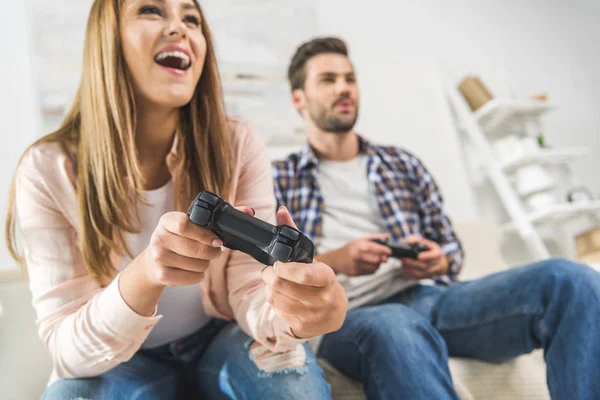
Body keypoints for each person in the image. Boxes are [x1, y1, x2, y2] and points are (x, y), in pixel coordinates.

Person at [6, 2, 348, 399]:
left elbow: (249, 289)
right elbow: (66, 351)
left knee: (291, 382)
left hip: (221, 337)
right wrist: (147, 272)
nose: (178, 28)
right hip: (121, 363)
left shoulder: (237, 143)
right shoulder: (47, 169)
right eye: (151, 10)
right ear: (108, 37)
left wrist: (294, 317)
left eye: (191, 18)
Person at [272, 36, 600, 400]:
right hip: (348, 314)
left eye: (350, 78)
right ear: (298, 98)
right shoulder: (280, 177)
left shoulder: (403, 164)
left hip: (433, 299)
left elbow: (450, 249)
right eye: (328, 80)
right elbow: (267, 270)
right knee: (398, 324)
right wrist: (338, 261)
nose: (344, 88)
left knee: (572, 280)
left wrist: (437, 259)